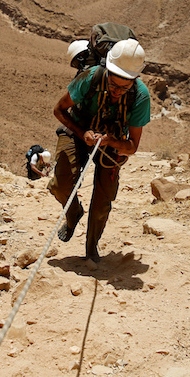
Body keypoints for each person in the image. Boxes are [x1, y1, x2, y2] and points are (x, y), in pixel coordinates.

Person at [48, 38, 151, 264]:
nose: (117, 92)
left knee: (104, 197)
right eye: (113, 85)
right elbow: (59, 109)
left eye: (125, 87)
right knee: (61, 184)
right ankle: (73, 212)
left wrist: (111, 141)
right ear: (107, 72)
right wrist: (83, 132)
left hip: (111, 141)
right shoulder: (90, 77)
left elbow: (132, 146)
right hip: (78, 129)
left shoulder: (140, 96)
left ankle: (91, 247)